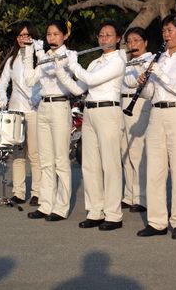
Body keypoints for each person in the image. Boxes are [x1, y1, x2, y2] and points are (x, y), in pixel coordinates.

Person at [55, 21, 126, 230]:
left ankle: (113, 215)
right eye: (101, 35)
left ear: (118, 39)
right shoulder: (95, 62)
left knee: (110, 164)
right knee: (89, 164)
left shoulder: (118, 61)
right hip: (90, 111)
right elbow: (78, 89)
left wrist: (73, 64)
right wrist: (61, 69)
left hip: (108, 111)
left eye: (108, 35)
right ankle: (95, 210)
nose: (103, 39)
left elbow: (92, 80)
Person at [136, 13, 176, 240]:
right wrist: (142, 84)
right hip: (156, 114)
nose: (167, 34)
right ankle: (157, 221)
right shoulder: (158, 59)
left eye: (171, 30)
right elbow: (151, 93)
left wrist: (161, 74)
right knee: (154, 169)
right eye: (164, 31)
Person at [24, 20, 77, 222]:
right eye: (48, 34)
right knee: (46, 160)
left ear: (64, 36)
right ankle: (46, 204)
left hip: (60, 106)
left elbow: (65, 75)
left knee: (61, 159)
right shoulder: (44, 56)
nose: (51, 38)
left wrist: (50, 60)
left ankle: (61, 207)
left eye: (55, 34)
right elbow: (30, 80)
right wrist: (31, 53)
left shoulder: (70, 55)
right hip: (43, 106)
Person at [0, 21, 42, 207]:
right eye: (20, 36)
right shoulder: (11, 60)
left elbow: (43, 83)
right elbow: (2, 83)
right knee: (18, 154)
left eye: (26, 35)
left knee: (34, 154)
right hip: (16, 111)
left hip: (33, 110)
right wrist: (2, 98)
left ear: (32, 36)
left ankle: (38, 193)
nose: (23, 39)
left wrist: (37, 98)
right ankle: (18, 192)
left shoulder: (39, 58)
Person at [121, 27, 153, 213]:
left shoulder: (149, 61)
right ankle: (129, 194)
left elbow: (134, 82)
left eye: (136, 40)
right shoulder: (127, 62)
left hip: (140, 103)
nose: (132, 45)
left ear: (145, 42)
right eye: (129, 41)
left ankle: (142, 197)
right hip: (123, 102)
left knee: (137, 152)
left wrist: (135, 65)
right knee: (125, 151)